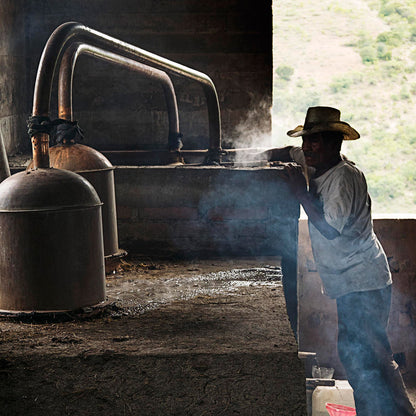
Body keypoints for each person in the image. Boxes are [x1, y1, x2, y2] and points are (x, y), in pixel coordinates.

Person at [274, 106, 415, 416]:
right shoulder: (314, 161)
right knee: (358, 355)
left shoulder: (343, 178)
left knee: (369, 357)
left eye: (316, 141)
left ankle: (398, 412)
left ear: (335, 144)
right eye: (306, 139)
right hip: (350, 282)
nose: (308, 147)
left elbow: (330, 229)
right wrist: (255, 156)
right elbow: (288, 151)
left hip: (364, 281)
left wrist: (299, 192)